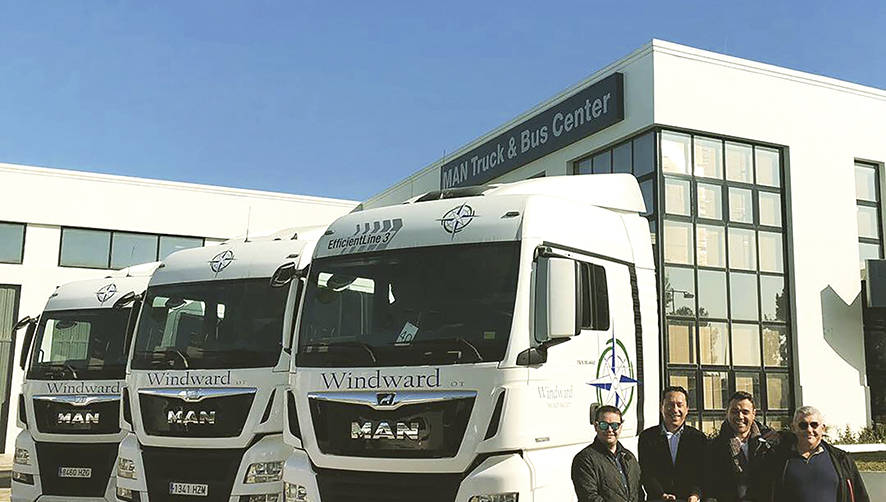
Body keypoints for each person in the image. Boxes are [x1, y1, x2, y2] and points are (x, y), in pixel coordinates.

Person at [752, 405, 870, 502]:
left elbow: (860, 497)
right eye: (803, 425)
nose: (809, 430)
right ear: (793, 428)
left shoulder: (841, 460)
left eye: (814, 425)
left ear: (823, 428)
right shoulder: (776, 460)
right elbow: (762, 494)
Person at [704, 391, 776, 502]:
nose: (740, 416)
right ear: (726, 413)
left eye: (745, 412)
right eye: (734, 412)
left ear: (754, 414)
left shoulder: (768, 443)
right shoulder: (714, 448)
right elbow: (710, 486)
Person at [639, 386, 706, 501]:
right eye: (670, 404)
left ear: (687, 409)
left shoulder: (698, 438)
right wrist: (661, 494)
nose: (675, 410)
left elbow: (702, 472)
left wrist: (696, 494)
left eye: (680, 405)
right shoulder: (647, 437)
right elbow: (646, 472)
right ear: (662, 407)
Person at [572, 404, 642, 502]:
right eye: (604, 425)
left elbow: (638, 492)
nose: (609, 430)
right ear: (596, 426)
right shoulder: (585, 459)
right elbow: (589, 497)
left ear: (620, 427)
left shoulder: (629, 457)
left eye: (614, 425)